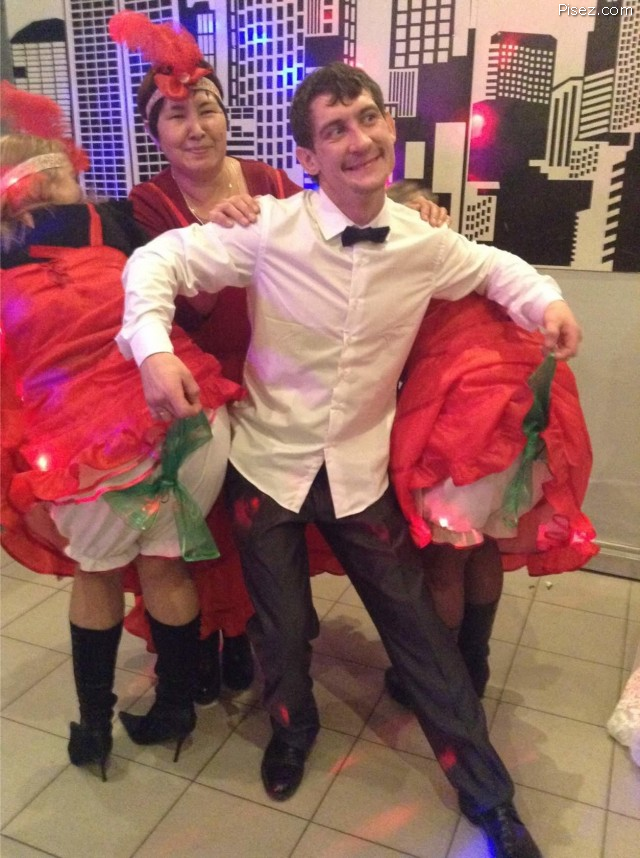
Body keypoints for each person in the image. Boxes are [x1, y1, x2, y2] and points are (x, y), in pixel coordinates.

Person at [117, 62, 584, 857]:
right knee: (281, 629)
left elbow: (493, 267)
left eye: (368, 118)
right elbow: (156, 263)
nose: (359, 139)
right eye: (335, 129)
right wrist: (153, 349)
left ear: (388, 128)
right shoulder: (269, 227)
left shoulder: (423, 243)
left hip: (361, 476)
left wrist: (547, 300)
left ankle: (490, 796)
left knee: (420, 636)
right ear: (307, 156)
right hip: (268, 465)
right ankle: (291, 732)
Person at [109, 9, 449, 707]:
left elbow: (340, 228)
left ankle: (249, 644)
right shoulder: (148, 203)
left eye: (206, 109)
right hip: (198, 381)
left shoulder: (269, 181)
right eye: (175, 116)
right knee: (198, 537)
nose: (195, 127)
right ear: (155, 133)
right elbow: (167, 287)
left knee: (264, 551)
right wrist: (217, 238)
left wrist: (415, 211)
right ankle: (204, 659)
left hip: (283, 380)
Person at [0, 85, 243, 780]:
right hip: (192, 421)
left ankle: (93, 729)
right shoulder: (116, 223)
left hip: (93, 454)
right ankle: (176, 710)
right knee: (165, 563)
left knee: (98, 575)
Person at [383, 181, 598, 705]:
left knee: (445, 562)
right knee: (482, 544)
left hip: (470, 425)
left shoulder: (406, 270)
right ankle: (472, 665)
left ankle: (442, 683)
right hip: (532, 421)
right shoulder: (476, 266)